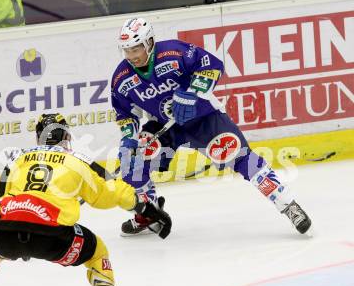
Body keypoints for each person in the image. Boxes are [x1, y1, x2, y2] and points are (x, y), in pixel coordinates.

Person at [0, 113, 171, 286]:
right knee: (97, 251)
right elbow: (109, 195)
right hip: (52, 238)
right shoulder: (79, 159)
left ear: (39, 137)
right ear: (66, 135)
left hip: (6, 231)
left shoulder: (17, 159)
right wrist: (146, 210)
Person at [111, 17, 312, 237]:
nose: (132, 56)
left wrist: (192, 94)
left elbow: (212, 65)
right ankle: (149, 215)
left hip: (205, 118)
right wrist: (128, 138)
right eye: (127, 50)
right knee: (133, 162)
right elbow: (124, 114)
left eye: (136, 48)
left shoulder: (174, 52)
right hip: (165, 126)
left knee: (244, 159)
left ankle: (288, 205)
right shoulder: (122, 77)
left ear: (149, 42)